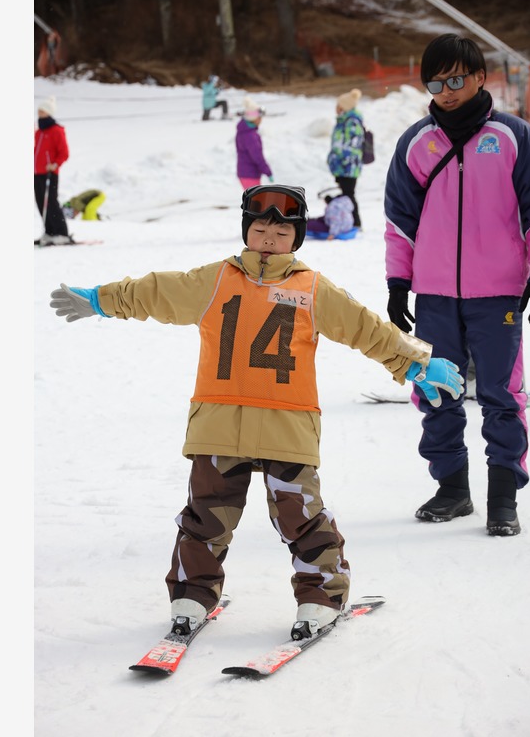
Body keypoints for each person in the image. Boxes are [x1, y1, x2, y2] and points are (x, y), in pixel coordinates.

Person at [49, 184, 462, 637]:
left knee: (300, 516)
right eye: (260, 227)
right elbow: (156, 292)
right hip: (219, 425)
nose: (269, 237)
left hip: (288, 425)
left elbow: (367, 329)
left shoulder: (313, 289)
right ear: (247, 230)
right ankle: (191, 594)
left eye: (281, 231)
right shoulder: (215, 280)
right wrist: (101, 299)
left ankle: (321, 596)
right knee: (205, 516)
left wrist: (416, 362)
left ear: (297, 238)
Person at [383, 33, 530, 536]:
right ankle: (452, 488)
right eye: (435, 81)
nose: (446, 91)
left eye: (456, 79)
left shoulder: (514, 137)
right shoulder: (416, 142)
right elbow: (400, 221)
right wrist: (396, 281)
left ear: (479, 77)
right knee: (436, 389)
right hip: (434, 293)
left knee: (501, 393)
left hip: (498, 292)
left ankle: (503, 497)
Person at [34, 96, 72, 246]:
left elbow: (64, 152)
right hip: (37, 172)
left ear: (49, 112)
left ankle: (61, 233)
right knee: (40, 202)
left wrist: (55, 164)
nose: (39, 113)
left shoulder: (56, 130)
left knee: (51, 202)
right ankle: (49, 231)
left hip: (50, 172)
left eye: (42, 110)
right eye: (39, 110)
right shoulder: (39, 131)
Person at [327, 88, 366, 228]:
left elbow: (352, 146)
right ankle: (350, 221)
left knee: (348, 194)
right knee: (346, 194)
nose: (336, 108)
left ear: (345, 106)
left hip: (349, 166)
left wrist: (341, 159)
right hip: (342, 166)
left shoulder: (352, 122)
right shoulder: (343, 120)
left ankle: (356, 222)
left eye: (338, 105)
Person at [236, 97, 273, 190]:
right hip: (250, 174)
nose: (261, 120)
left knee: (254, 201)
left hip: (245, 173)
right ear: (254, 118)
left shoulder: (243, 131)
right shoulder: (250, 136)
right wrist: (267, 171)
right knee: (255, 202)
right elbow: (257, 156)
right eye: (259, 117)